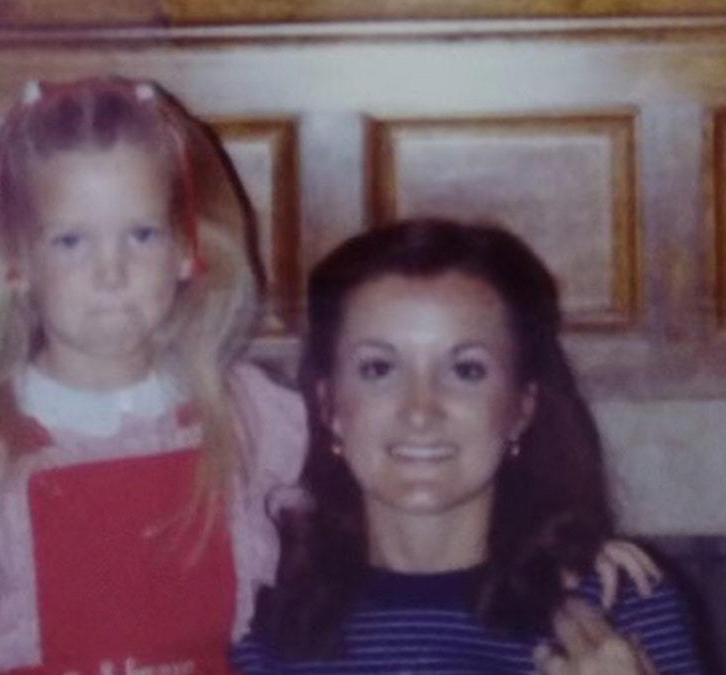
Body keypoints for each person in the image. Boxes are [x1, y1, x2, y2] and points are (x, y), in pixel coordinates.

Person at [0, 78, 659, 675]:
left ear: (188, 251)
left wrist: (555, 546)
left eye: (141, 234)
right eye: (71, 241)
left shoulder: (246, 413)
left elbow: (391, 479)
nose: (111, 272)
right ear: (15, 260)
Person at [232, 219, 704, 675]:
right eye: (378, 369)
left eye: (467, 370)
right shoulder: (261, 608)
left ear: (522, 407)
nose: (420, 410)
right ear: (329, 404)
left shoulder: (620, 605)